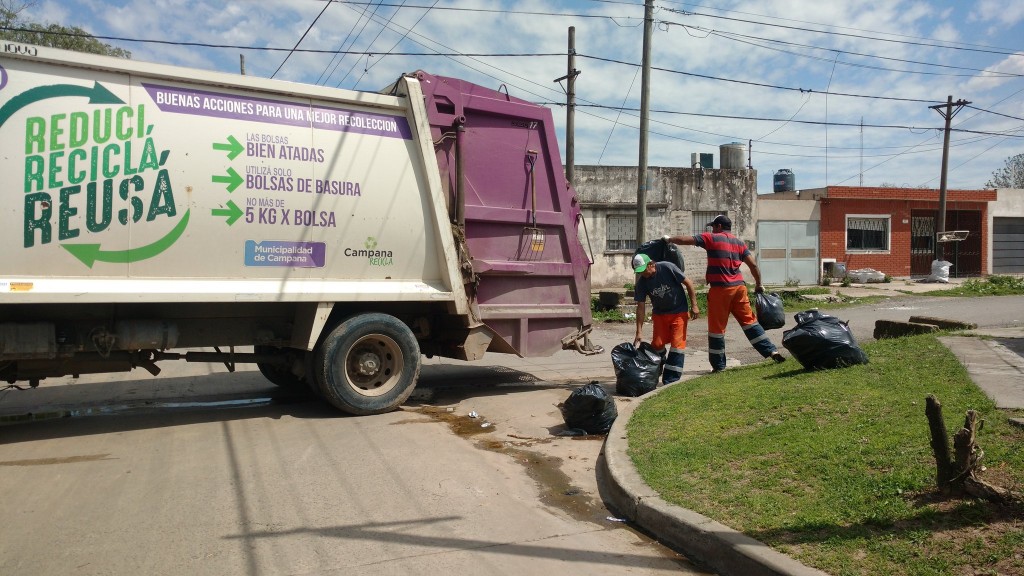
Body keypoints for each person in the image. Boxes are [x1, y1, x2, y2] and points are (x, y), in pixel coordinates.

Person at [664, 215, 785, 372]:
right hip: (739, 288)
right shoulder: (739, 243)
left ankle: (719, 366)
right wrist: (758, 284)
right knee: (750, 323)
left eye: (713, 227)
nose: (712, 230)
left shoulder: (711, 238)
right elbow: (753, 265)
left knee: (717, 329)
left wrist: (669, 239)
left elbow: (686, 240)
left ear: (719, 226)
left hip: (720, 290)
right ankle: (771, 351)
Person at [631, 253, 700, 385]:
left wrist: (694, 305)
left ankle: (671, 380)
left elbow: (688, 283)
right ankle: (657, 368)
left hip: (679, 312)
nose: (642, 274)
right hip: (660, 315)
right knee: (657, 345)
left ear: (650, 264)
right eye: (639, 272)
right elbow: (640, 307)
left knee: (677, 345)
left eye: (643, 270)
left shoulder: (668, 268)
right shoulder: (642, 283)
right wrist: (639, 331)